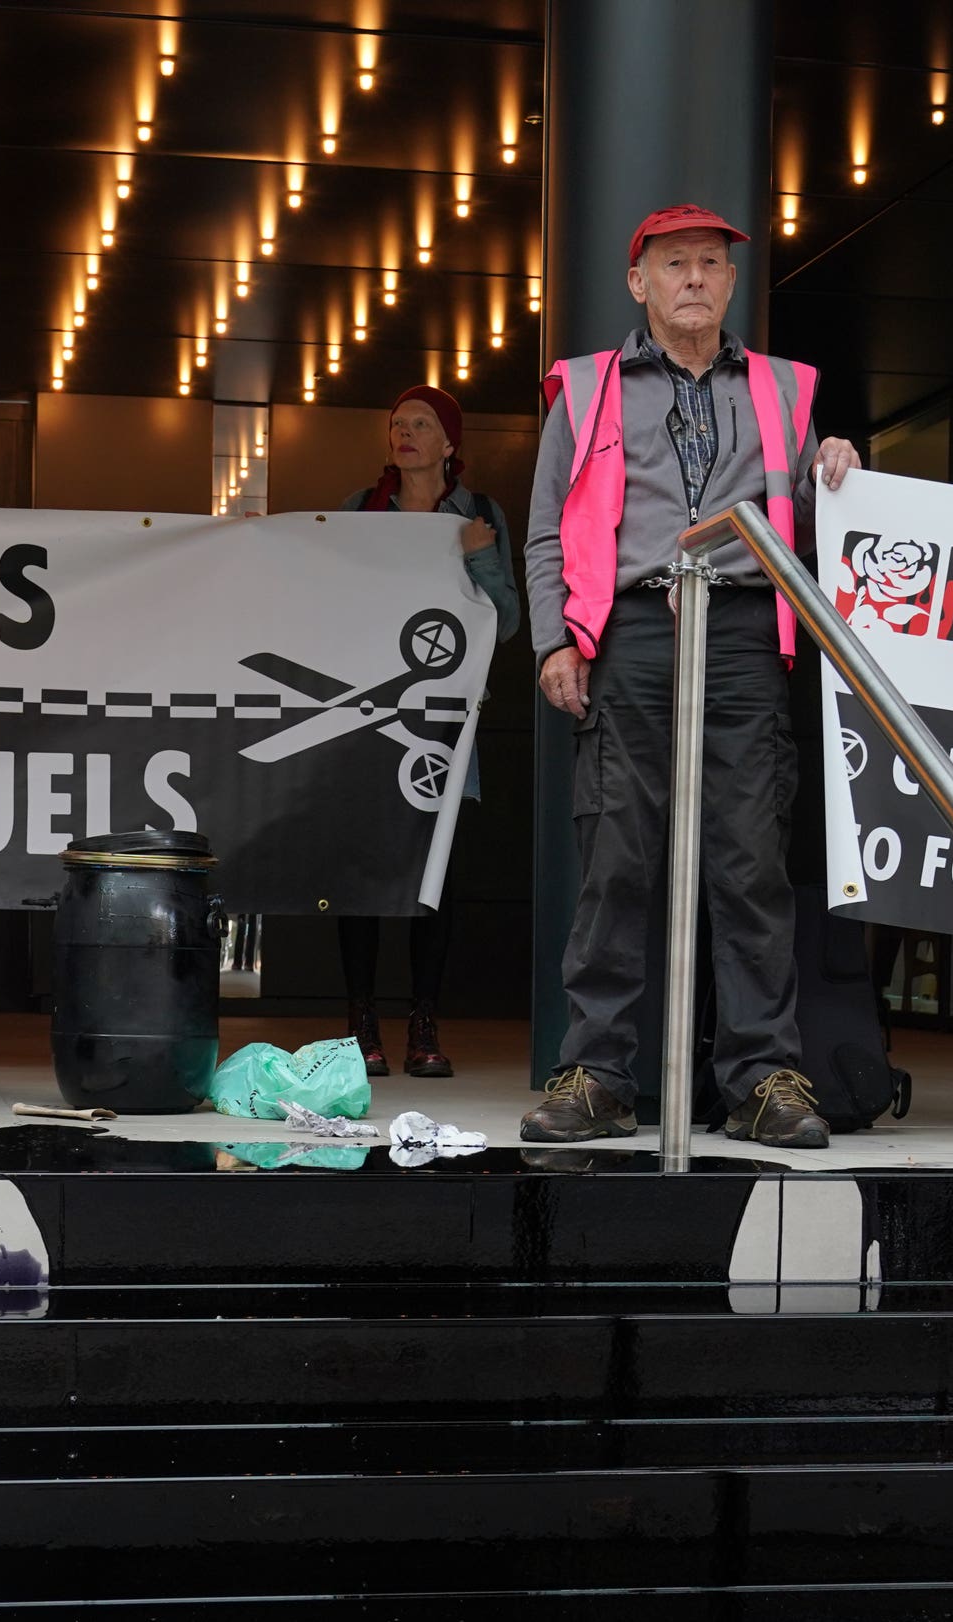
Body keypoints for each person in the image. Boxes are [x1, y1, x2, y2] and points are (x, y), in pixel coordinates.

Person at [519, 203, 862, 1149]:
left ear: (731, 281)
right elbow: (548, 528)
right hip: (629, 634)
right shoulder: (588, 388)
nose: (697, 279)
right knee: (616, 859)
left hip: (748, 634)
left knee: (750, 860)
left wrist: (836, 465)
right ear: (639, 284)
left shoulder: (784, 390)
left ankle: (762, 1076)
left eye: (712, 263)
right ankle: (597, 1074)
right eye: (676, 265)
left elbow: (814, 506)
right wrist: (555, 640)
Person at [335, 383, 520, 1079]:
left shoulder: (481, 515)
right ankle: (359, 1020)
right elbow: (330, 602)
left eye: (420, 424)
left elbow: (507, 622)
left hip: (443, 724)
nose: (404, 434)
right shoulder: (362, 511)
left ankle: (422, 1020)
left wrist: (474, 555)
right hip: (369, 718)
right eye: (396, 423)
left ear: (449, 444)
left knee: (432, 876)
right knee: (360, 875)